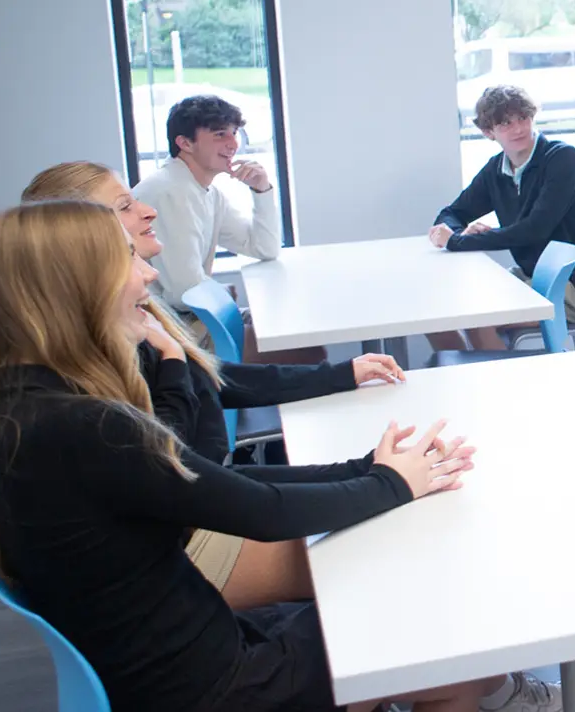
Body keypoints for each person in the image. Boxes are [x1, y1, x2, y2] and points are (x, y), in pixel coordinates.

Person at [0, 200, 509, 712]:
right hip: (214, 685)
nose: (148, 274)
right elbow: (259, 511)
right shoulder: (85, 426)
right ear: (74, 285)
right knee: (452, 642)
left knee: (421, 625)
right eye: (124, 259)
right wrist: (393, 483)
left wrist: (369, 470)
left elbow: (221, 486)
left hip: (174, 660)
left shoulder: (19, 409)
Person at [20, 161, 404, 609]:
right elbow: (194, 465)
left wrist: (349, 415)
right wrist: (173, 362)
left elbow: (211, 434)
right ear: (79, 237)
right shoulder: (102, 361)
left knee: (383, 506)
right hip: (188, 540)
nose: (148, 211)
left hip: (198, 512)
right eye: (125, 206)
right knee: (382, 550)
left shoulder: (128, 320)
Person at [134, 94, 303, 363]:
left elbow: (264, 247)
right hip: (167, 333)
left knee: (294, 331)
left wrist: (262, 190)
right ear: (185, 143)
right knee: (299, 347)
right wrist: (221, 294)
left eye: (234, 133)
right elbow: (184, 293)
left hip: (185, 320)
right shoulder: (171, 192)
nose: (233, 143)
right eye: (220, 134)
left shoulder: (204, 191)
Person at [430, 85, 575, 347]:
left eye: (523, 118)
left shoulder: (562, 157)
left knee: (480, 319)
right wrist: (454, 232)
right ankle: (469, 374)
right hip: (535, 277)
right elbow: (452, 213)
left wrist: (457, 241)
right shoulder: (497, 169)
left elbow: (535, 229)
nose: (519, 128)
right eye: (506, 123)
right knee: (442, 312)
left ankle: (495, 383)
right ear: (489, 132)